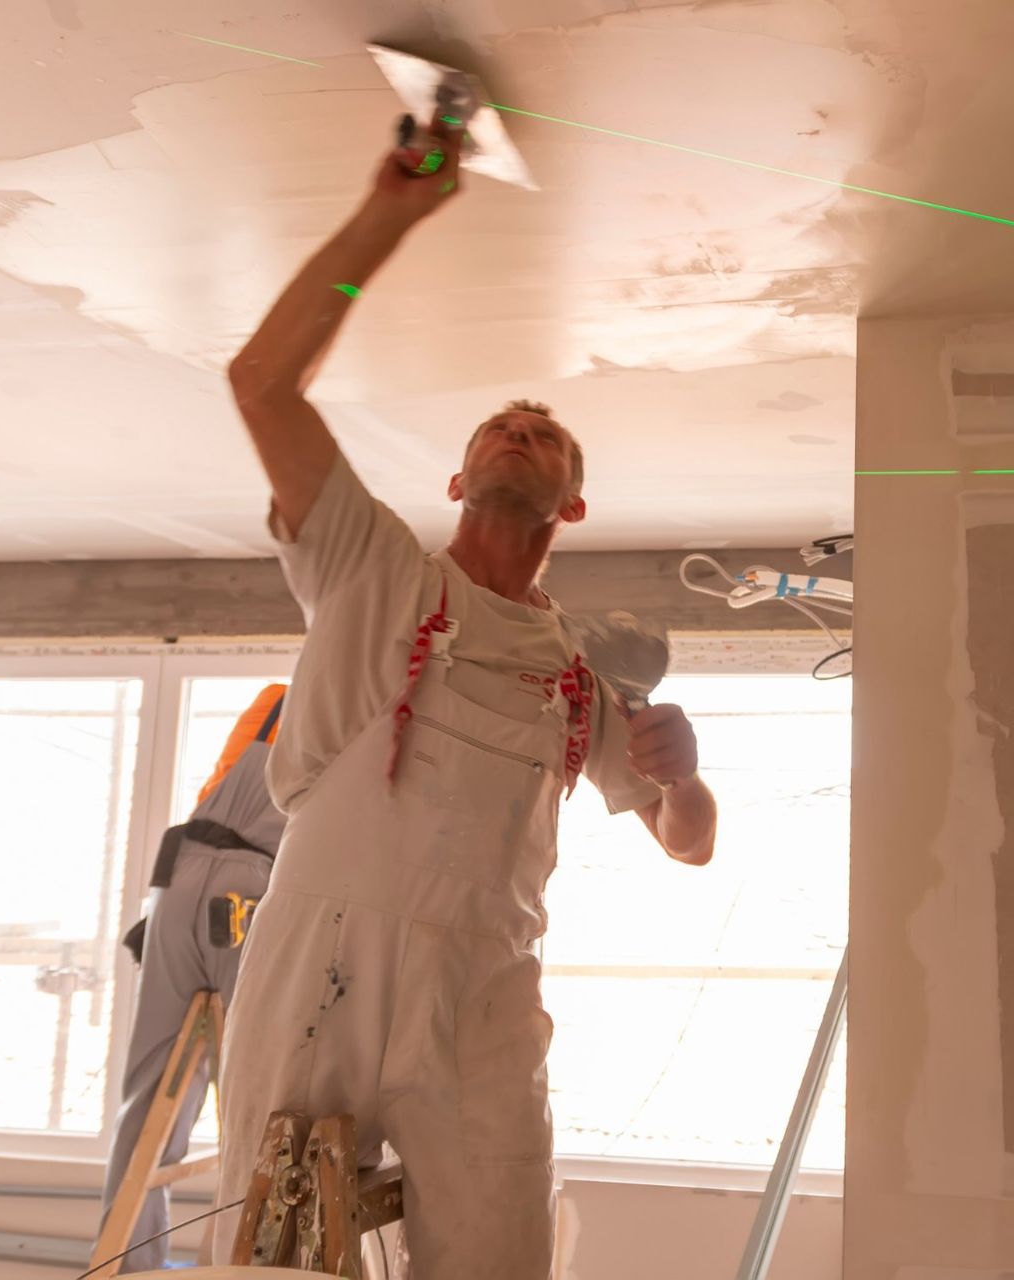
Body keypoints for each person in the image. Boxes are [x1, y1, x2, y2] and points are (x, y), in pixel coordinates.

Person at [212, 114, 719, 1278]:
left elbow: (686, 843)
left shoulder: (587, 687)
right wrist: (390, 212)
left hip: (487, 992)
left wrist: (685, 777)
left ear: (570, 507)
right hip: (322, 957)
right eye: (503, 424)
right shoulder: (372, 568)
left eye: (547, 435)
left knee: (500, 1260)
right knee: (276, 1256)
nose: (523, 426)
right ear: (458, 476)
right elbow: (262, 381)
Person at [97, 683, 288, 1273]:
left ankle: (133, 1266)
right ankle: (247, 1266)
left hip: (177, 887)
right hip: (252, 889)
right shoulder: (358, 721)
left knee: (151, 1088)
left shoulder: (275, 699)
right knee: (259, 1087)